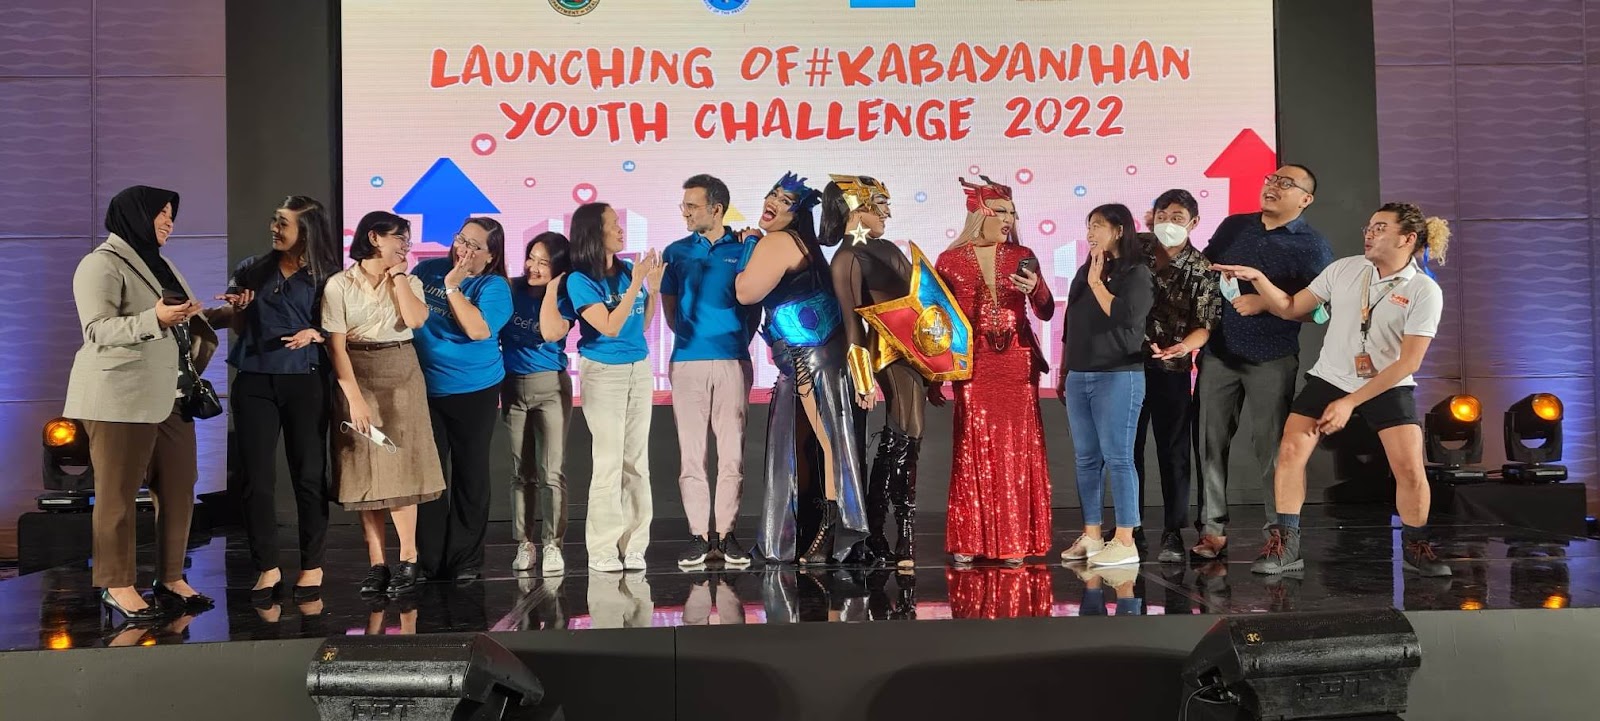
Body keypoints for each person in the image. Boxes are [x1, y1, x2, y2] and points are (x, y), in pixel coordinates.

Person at [1214, 202, 1452, 577]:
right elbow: (1291, 307)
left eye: (1380, 228)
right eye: (1369, 226)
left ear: (1407, 239)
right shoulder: (1345, 268)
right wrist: (1258, 279)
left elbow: (1409, 362)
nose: (1369, 233)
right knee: (1290, 451)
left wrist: (1350, 403)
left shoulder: (1424, 290)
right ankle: (1286, 545)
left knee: (1408, 468)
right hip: (1331, 377)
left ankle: (1416, 546)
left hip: (1386, 382)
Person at [65, 186, 226, 622]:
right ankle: (117, 584)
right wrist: (153, 318)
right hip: (120, 398)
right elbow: (97, 330)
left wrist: (225, 315)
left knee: (179, 488)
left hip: (172, 395)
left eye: (172, 214)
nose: (169, 222)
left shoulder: (161, 263)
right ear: (135, 215)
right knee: (117, 495)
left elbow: (178, 321)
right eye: (162, 213)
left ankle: (171, 577)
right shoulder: (100, 263)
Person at [1192, 165, 1333, 560]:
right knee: (1209, 444)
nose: (1273, 186)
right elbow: (1204, 274)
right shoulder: (1234, 226)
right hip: (1219, 354)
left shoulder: (1312, 246)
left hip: (1271, 358)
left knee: (1272, 450)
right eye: (1271, 180)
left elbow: (1321, 311)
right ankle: (1212, 530)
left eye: (1286, 184)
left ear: (1305, 199)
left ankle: (1279, 533)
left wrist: (1266, 303)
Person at [823, 173, 960, 568]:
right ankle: (898, 534)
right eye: (881, 203)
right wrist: (863, 379)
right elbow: (852, 325)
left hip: (915, 355)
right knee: (905, 435)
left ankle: (887, 532)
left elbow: (922, 308)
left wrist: (935, 371)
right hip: (886, 354)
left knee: (904, 438)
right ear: (857, 205)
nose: (887, 212)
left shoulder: (885, 248)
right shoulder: (847, 258)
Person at [736, 172, 870, 565]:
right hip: (812, 360)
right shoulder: (801, 244)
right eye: (772, 194)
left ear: (796, 215)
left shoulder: (777, 242)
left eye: (785, 200)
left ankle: (834, 532)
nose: (773, 202)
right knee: (811, 446)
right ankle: (817, 531)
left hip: (810, 361)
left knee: (827, 444)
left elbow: (745, 292)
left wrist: (749, 245)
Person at [323, 211, 446, 596]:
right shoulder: (339, 284)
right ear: (375, 237)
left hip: (401, 369)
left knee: (401, 465)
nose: (406, 246)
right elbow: (336, 347)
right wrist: (354, 399)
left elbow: (416, 320)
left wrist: (398, 278)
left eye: (407, 240)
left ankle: (409, 558)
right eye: (400, 238)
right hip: (356, 371)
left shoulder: (410, 281)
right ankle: (377, 563)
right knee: (366, 468)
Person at [226, 195, 341, 601]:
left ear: (306, 232)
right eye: (274, 221)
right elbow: (240, 327)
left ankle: (312, 566)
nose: (274, 229)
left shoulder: (329, 277)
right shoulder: (251, 269)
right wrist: (239, 307)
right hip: (254, 380)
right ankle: (267, 567)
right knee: (256, 478)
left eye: (283, 224)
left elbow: (341, 328)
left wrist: (317, 333)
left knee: (308, 474)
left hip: (305, 381)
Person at [935, 176, 1054, 566]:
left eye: (1012, 213)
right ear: (978, 214)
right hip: (975, 364)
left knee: (1017, 449)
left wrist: (1036, 288)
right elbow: (937, 322)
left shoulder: (1022, 254)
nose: (1008, 219)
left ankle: (1015, 538)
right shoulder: (949, 260)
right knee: (973, 446)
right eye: (1000, 211)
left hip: (1017, 361)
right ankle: (970, 539)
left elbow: (1045, 311)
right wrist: (935, 372)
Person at [661, 174, 759, 568]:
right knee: (692, 454)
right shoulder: (676, 252)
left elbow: (753, 305)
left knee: (732, 453)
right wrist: (692, 337)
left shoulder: (744, 248)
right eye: (683, 205)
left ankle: (728, 534)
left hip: (733, 359)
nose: (684, 212)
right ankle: (700, 536)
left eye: (692, 206)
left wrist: (734, 339)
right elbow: (670, 310)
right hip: (687, 360)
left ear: (716, 209)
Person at [412, 218, 514, 581]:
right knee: (429, 476)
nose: (463, 250)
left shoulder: (494, 286)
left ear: (491, 255)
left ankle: (464, 560)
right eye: (461, 240)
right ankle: (428, 559)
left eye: (474, 245)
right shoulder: (427, 270)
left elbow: (477, 330)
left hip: (474, 390)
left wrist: (453, 287)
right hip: (425, 387)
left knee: (470, 473)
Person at [566, 202, 664, 573]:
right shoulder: (580, 280)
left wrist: (652, 290)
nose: (621, 230)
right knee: (608, 462)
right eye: (613, 224)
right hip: (603, 372)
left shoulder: (625, 270)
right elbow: (608, 326)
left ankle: (635, 545)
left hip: (639, 367)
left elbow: (642, 323)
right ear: (594, 233)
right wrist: (637, 283)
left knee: (637, 462)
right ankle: (603, 548)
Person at [1056, 204, 1155, 568]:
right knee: (1086, 458)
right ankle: (1092, 535)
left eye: (1097, 225)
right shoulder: (1085, 271)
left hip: (1119, 375)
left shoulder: (1137, 272)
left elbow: (1126, 317)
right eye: (1089, 225)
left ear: (1118, 230)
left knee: (1118, 457)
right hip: (1080, 374)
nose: (1090, 232)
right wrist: (1064, 368)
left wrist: (1098, 283)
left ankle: (1125, 539)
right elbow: (1071, 324)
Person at [1134, 190, 1221, 562]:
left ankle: (1172, 531)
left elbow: (1206, 324)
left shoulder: (1202, 268)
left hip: (1172, 369)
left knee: (1174, 452)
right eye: (1162, 215)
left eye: (1177, 217)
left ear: (1194, 222)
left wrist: (1185, 347)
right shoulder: (1133, 250)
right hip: (1126, 367)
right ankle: (1129, 527)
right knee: (1127, 451)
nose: (1168, 223)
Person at [501, 232, 576, 576]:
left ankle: (552, 545)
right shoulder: (510, 289)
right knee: (521, 472)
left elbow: (549, 332)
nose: (533, 266)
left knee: (552, 472)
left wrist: (550, 290)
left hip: (551, 387)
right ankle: (524, 543)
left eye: (544, 262)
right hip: (512, 386)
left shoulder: (565, 298)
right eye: (531, 257)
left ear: (559, 267)